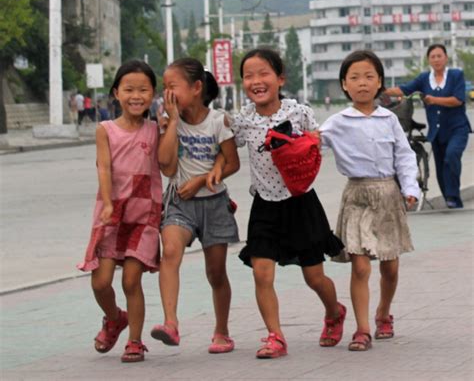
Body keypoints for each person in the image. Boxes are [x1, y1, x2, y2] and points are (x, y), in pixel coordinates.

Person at [229, 48, 346, 359]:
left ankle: (334, 312)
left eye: (264, 73)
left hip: (300, 203)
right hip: (264, 205)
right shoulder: (243, 121)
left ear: (280, 79)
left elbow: (316, 142)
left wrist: (308, 145)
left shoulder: (299, 112)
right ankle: (275, 336)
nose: (256, 81)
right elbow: (224, 144)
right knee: (261, 272)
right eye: (249, 76)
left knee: (314, 277)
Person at [320, 50, 420, 351]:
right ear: (344, 85)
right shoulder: (337, 122)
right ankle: (362, 329)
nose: (362, 83)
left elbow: (404, 156)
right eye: (354, 78)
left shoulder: (389, 119)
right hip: (357, 197)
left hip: (388, 195)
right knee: (360, 266)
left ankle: (383, 312)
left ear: (379, 83)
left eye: (369, 77)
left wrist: (410, 188)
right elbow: (311, 142)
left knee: (390, 268)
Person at [150, 58, 240, 354]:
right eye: (165, 88)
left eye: (172, 86)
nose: (168, 93)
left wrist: (203, 179)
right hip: (179, 202)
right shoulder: (167, 120)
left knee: (215, 273)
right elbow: (165, 165)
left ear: (196, 87)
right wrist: (172, 124)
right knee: (171, 252)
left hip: (214, 203)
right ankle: (171, 323)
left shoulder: (218, 121)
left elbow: (232, 162)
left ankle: (222, 331)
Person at [77, 60, 162, 363]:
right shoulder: (106, 129)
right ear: (116, 93)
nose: (136, 96)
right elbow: (104, 167)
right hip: (111, 213)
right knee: (100, 282)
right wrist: (109, 202)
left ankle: (135, 341)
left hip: (144, 216)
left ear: (153, 94)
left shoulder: (156, 130)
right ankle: (114, 318)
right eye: (129, 89)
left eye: (143, 90)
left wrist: (173, 123)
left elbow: (167, 163)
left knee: (130, 280)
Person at [384, 44, 471, 209]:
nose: (437, 59)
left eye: (440, 56)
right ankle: (452, 202)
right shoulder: (424, 79)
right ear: (428, 60)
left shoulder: (455, 75)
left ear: (445, 58)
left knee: (451, 156)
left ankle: (453, 196)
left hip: (457, 129)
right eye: (433, 56)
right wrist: (382, 90)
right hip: (437, 133)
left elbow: (458, 99)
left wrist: (434, 100)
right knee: (440, 169)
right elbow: (404, 90)